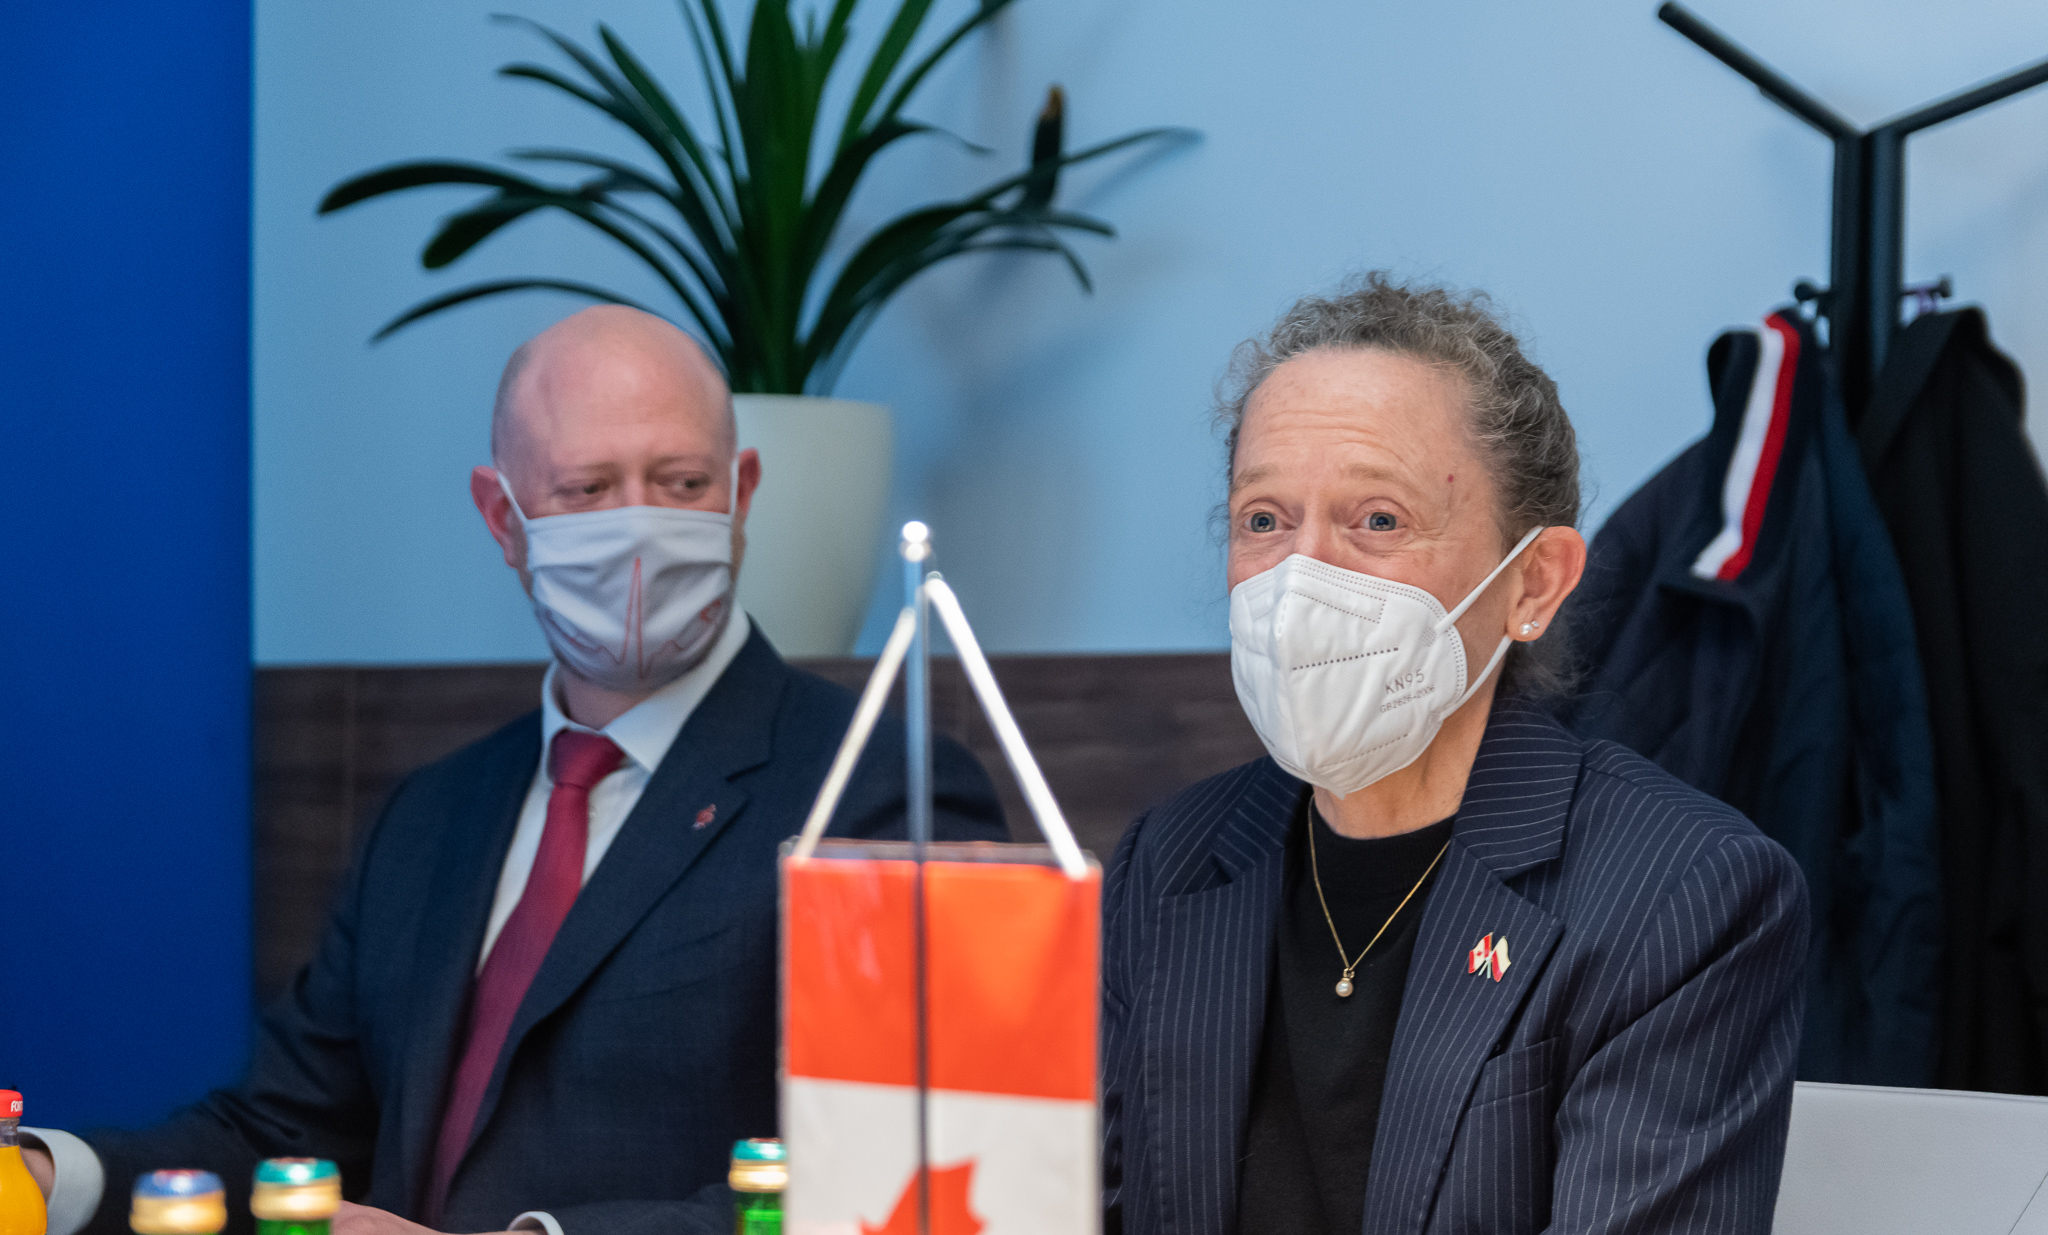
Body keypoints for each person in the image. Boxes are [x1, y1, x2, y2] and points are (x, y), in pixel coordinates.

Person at [24, 306, 1006, 1235]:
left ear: (742, 492)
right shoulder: (429, 817)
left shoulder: (883, 791)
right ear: (502, 517)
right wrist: (37, 1176)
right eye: (587, 489)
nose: (640, 526)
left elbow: (902, 1174)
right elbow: (283, 1138)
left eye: (681, 482)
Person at [1099, 276, 1809, 1235]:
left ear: (1533, 583)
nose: (1301, 579)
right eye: (1264, 519)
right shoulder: (1168, 861)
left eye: (1378, 520)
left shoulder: (1686, 894)